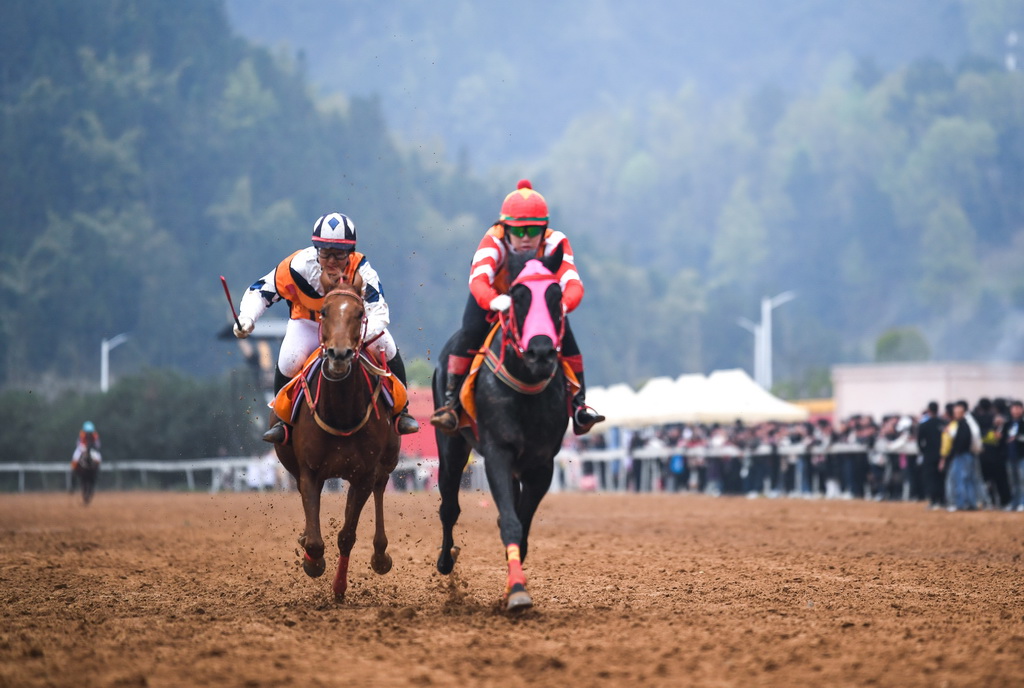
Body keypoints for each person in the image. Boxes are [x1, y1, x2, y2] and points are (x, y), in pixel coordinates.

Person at [429, 179, 604, 436]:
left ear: (544, 229)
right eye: (518, 231)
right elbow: (478, 281)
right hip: (495, 299)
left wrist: (561, 307)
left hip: (540, 308)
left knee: (567, 340)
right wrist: (497, 301)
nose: (525, 239)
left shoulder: (557, 242)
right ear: (504, 228)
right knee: (470, 331)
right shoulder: (493, 241)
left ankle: (579, 407)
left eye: (533, 231)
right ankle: (451, 404)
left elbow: (574, 284)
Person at [233, 212, 419, 442]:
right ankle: (282, 421)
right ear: (316, 249)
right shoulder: (296, 266)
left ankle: (402, 413)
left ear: (350, 253)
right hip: (307, 323)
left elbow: (379, 312)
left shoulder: (362, 270)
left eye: (339, 255)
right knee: (289, 361)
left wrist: (354, 336)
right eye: (325, 253)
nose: (331, 261)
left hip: (350, 327)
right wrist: (247, 318)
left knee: (387, 346)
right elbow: (261, 290)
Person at [943, 400, 982, 511]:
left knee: (960, 480)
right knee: (968, 480)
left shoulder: (963, 424)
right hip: (968, 455)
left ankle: (961, 503)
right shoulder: (967, 423)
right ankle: (971, 503)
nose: (955, 413)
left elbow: (962, 441)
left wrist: (954, 452)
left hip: (962, 455)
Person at [917, 401, 945, 509]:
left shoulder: (924, 425)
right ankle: (942, 500)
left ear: (928, 410)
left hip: (929, 455)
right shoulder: (943, 423)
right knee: (941, 477)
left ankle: (933, 501)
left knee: (930, 478)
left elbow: (919, 442)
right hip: (942, 455)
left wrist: (924, 451)